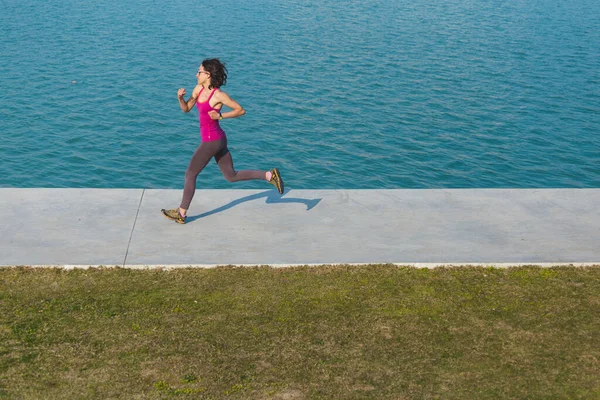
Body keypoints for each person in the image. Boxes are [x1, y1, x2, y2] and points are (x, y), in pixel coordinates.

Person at [161, 58, 284, 224]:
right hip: (218, 140)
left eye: (199, 72)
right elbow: (186, 109)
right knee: (231, 176)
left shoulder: (218, 95)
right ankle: (269, 175)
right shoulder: (198, 89)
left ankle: (181, 214)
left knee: (190, 174)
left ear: (208, 74)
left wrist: (220, 115)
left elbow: (240, 110)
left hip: (212, 141)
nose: (196, 74)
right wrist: (180, 99)